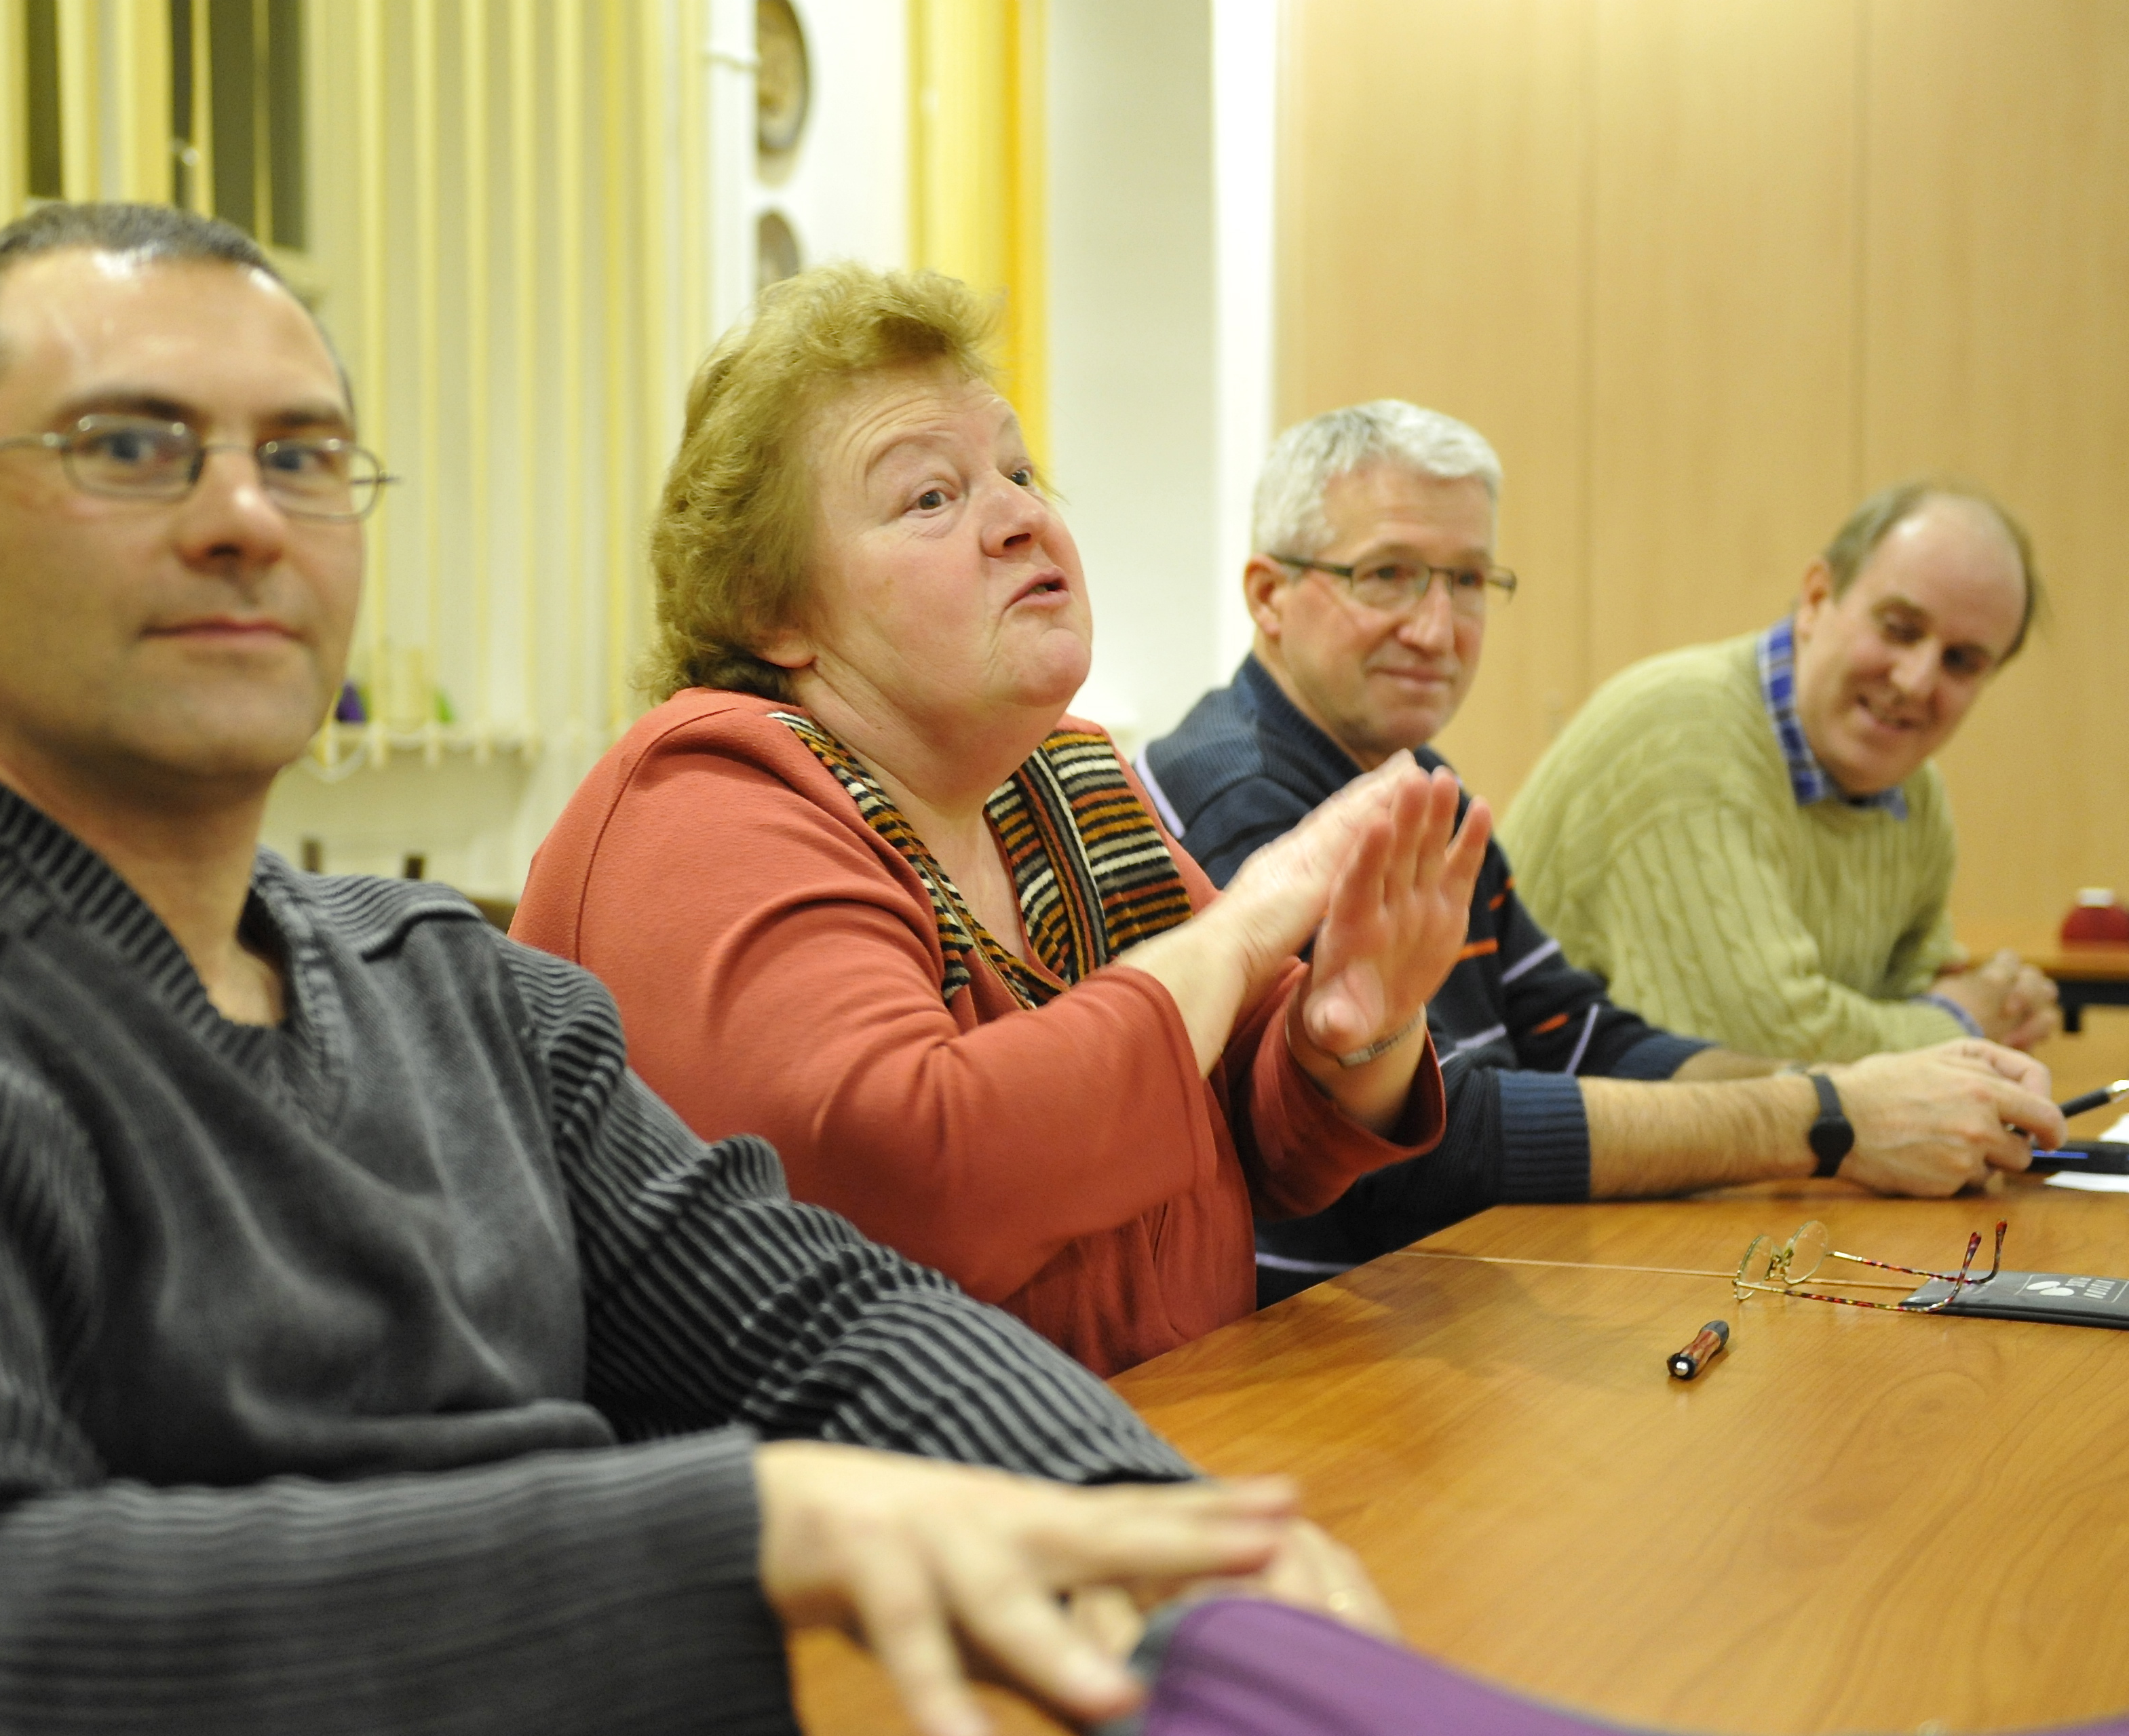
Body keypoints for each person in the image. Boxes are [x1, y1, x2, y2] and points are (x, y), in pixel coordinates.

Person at [0, 206, 1388, 1736]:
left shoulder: (452, 991)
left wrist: (1155, 1530)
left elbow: (820, 1322)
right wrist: (743, 1532)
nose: (244, 516)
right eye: (131, 448)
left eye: (302, 457)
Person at [514, 267, 1486, 1378]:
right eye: (930, 498)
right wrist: (1245, 926)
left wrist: (1353, 1029)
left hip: (1162, 1438)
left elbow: (1269, 1134)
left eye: (1018, 473)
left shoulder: (1059, 777)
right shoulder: (703, 797)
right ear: (771, 609)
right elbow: (922, 1178)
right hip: (887, 1484)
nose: (1024, 518)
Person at [1140, 402, 2061, 1285]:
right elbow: (1424, 1144)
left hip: (1447, 1285)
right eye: (1386, 574)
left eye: (1468, 581)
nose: (1436, 629)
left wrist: (1870, 1092)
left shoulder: (1413, 780)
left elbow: (1576, 1030)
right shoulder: (1239, 797)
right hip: (1306, 1331)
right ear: (1268, 596)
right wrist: (1830, 1117)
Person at [1502, 477, 2060, 1063]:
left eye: (1962, 661)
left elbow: (1918, 986)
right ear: (1816, 598)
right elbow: (1746, 1052)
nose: (1916, 681)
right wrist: (1962, 1023)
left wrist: (1999, 1003)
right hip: (1528, 1115)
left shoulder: (1914, 791)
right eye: (1899, 629)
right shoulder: (1684, 734)